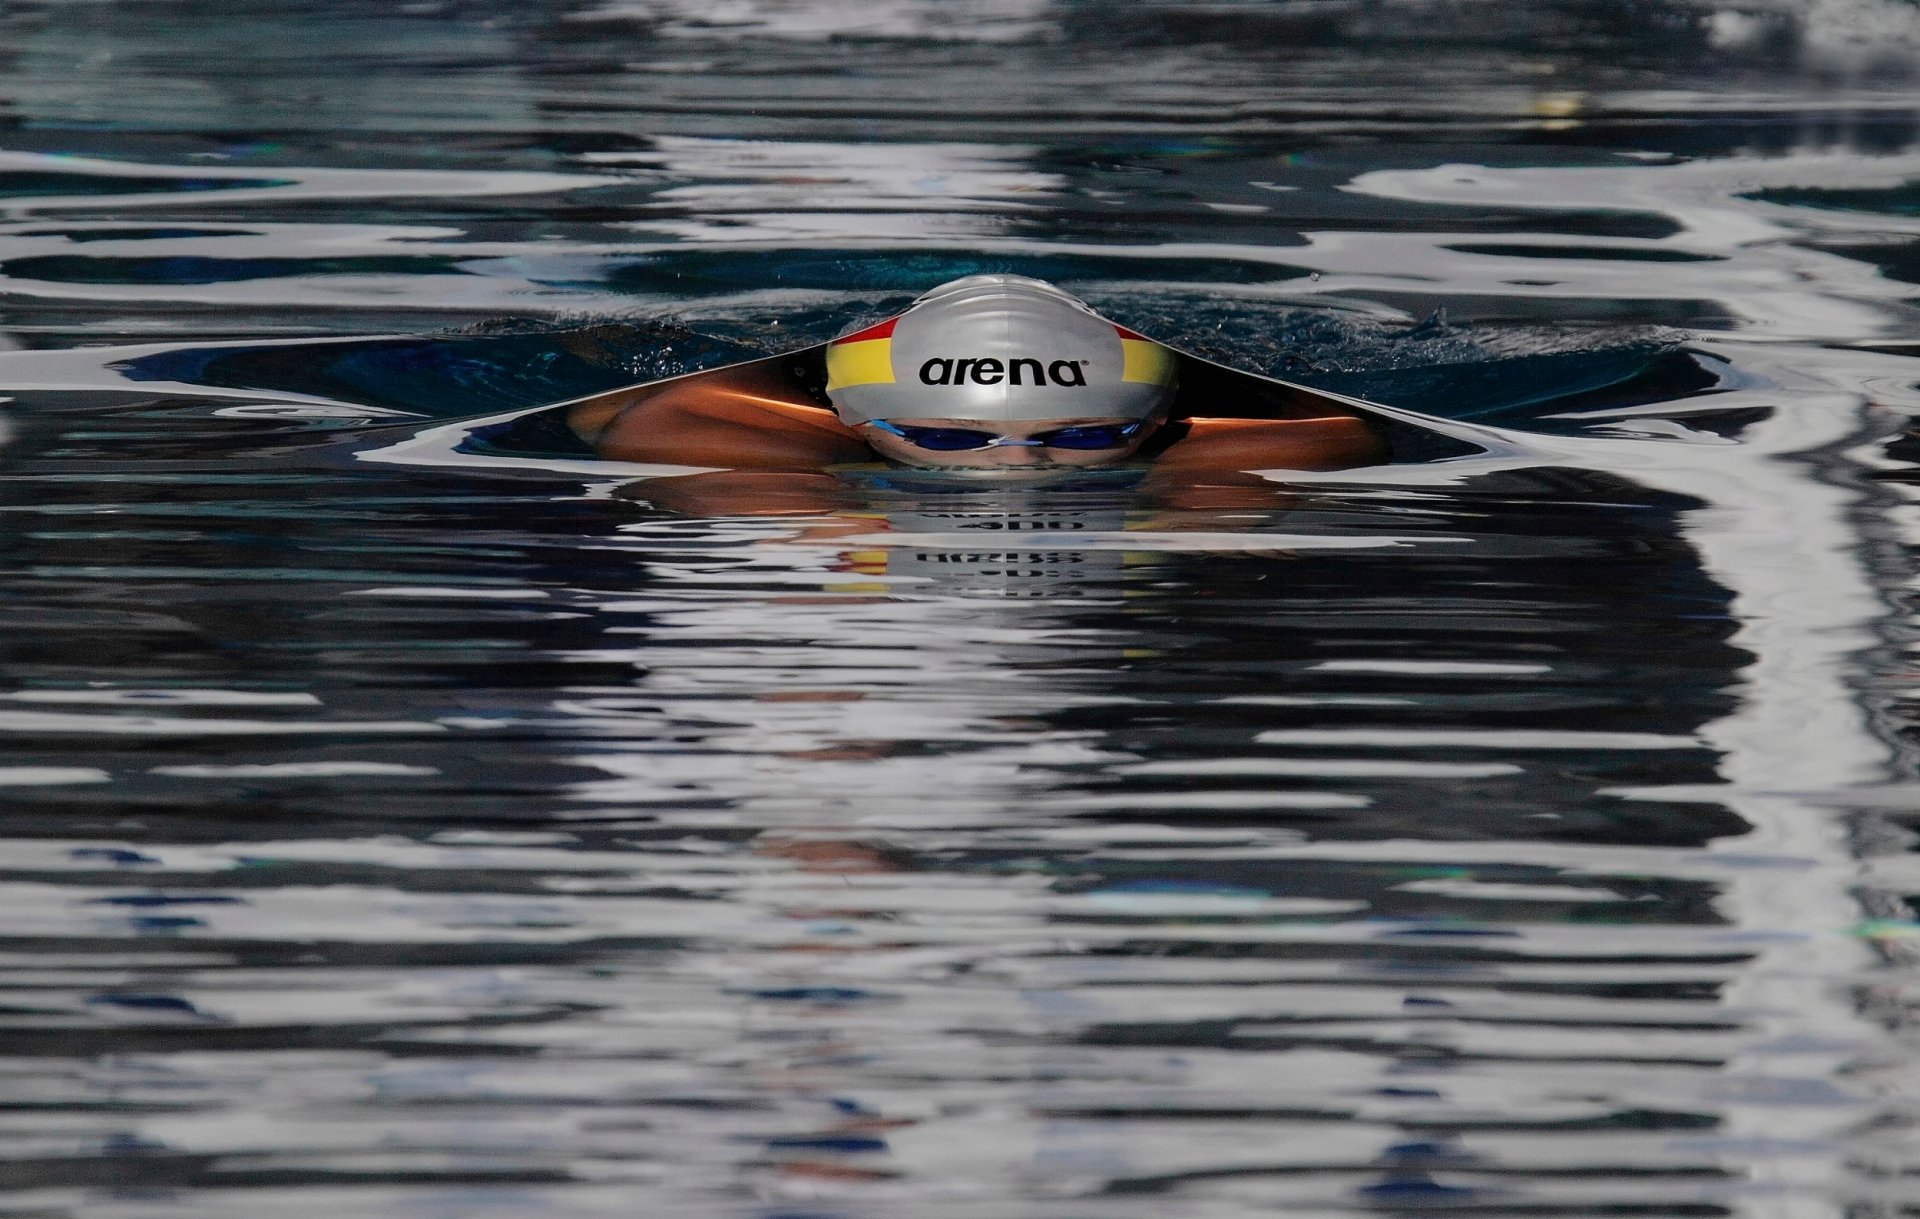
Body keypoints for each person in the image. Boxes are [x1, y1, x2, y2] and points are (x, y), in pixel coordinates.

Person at [564, 275, 1386, 513]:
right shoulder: (706, 412)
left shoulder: (1291, 427)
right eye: (956, 440)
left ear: (1164, 419)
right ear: (850, 420)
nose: (1019, 471)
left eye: (1085, 437)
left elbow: (1321, 444)